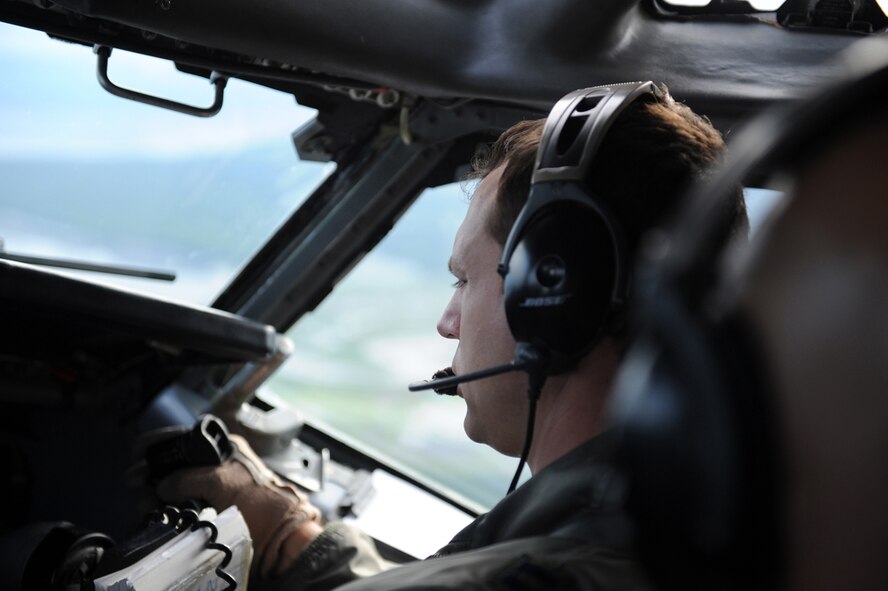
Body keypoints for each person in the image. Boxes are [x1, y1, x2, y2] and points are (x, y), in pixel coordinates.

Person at [157, 83, 748, 590]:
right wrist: (293, 538)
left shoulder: (553, 567)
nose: (447, 322)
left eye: (464, 279)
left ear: (552, 292)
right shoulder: (698, 523)